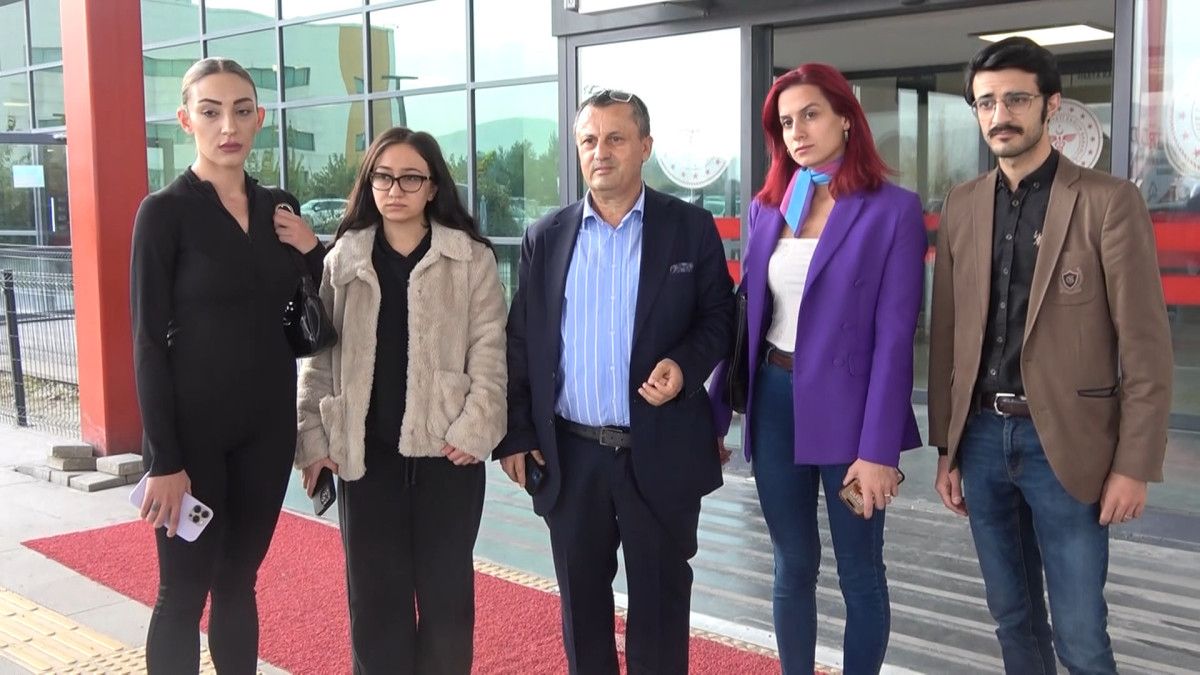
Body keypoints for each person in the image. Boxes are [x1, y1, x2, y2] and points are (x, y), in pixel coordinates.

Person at [928, 37, 1173, 674]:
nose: (999, 115)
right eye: (986, 103)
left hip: (1067, 443)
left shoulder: (1108, 201)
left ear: (1051, 104)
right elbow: (949, 335)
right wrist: (947, 447)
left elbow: (1146, 348)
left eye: (1016, 99)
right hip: (982, 440)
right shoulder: (962, 204)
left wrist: (1134, 465)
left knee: (1081, 636)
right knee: (1012, 620)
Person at [495, 89, 734, 674]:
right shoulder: (545, 236)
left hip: (660, 449)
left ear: (645, 147)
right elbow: (521, 342)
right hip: (571, 456)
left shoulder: (689, 228)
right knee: (582, 619)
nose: (600, 152)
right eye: (589, 140)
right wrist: (517, 433)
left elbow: (720, 318)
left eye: (615, 138)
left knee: (661, 615)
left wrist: (685, 366)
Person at [708, 63, 926, 675]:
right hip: (776, 402)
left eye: (810, 115)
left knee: (860, 570)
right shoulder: (769, 208)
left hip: (852, 416)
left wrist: (878, 449)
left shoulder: (893, 210)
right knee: (791, 564)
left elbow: (895, 339)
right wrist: (716, 416)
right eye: (785, 122)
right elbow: (745, 317)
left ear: (846, 119)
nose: (797, 132)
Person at [130, 57, 324, 673]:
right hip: (191, 437)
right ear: (186, 119)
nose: (228, 126)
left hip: (267, 431)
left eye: (242, 111)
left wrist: (313, 250)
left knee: (239, 583)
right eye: (211, 112)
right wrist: (164, 460)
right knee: (182, 593)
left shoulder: (280, 209)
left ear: (260, 118)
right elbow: (146, 343)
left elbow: (317, 310)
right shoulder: (163, 213)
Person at [294, 126, 507, 675]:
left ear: (433, 186)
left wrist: (475, 428)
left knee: (447, 610)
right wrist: (313, 440)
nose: (395, 189)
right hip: (365, 463)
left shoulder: (470, 258)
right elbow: (320, 359)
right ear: (369, 184)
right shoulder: (344, 260)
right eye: (383, 177)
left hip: (448, 461)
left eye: (411, 178)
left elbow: (490, 350)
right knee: (374, 611)